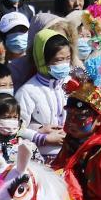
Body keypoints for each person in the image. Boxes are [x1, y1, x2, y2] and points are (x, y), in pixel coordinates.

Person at [15, 29, 72, 162]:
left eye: (67, 58)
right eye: (59, 60)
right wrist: (42, 137)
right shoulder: (27, 91)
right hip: (42, 160)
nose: (65, 64)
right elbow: (15, 128)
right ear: (43, 61)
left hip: (71, 155)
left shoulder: (73, 83)